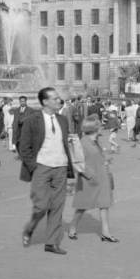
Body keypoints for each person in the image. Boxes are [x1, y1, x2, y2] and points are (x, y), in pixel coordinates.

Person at [18, 87, 73, 255]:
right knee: (41, 205)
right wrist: (34, 167)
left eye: (59, 98)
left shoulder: (63, 120)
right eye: (55, 98)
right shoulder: (32, 120)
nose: (59, 101)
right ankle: (30, 227)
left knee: (57, 206)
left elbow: (65, 142)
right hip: (42, 167)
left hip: (61, 167)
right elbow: (24, 147)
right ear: (45, 102)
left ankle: (51, 243)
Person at [67, 115, 117, 243]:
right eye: (100, 126)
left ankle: (105, 232)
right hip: (88, 179)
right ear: (94, 128)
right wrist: (90, 175)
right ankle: (73, 226)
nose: (102, 127)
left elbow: (96, 157)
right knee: (82, 206)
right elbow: (78, 162)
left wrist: (106, 159)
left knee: (104, 204)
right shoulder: (82, 142)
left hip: (102, 177)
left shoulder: (95, 141)